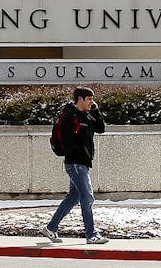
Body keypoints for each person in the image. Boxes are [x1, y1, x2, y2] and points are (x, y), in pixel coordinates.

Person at [42, 87, 108, 245]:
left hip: (83, 163)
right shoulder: (69, 117)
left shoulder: (87, 116)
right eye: (89, 99)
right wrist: (80, 153)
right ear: (80, 99)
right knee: (87, 197)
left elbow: (101, 129)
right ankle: (91, 234)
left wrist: (96, 111)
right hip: (75, 163)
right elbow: (67, 142)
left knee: (73, 197)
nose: (92, 102)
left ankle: (50, 228)